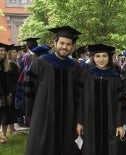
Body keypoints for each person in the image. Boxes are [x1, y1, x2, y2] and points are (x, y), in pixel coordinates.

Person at [24, 25, 83, 155]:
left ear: (72, 46)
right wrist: (29, 114)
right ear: (55, 42)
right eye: (62, 43)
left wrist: (79, 118)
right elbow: (29, 88)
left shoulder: (75, 67)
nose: (64, 47)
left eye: (68, 44)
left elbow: (80, 96)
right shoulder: (41, 62)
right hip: (43, 115)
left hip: (68, 117)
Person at [76, 43, 126, 155]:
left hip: (111, 122)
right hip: (90, 121)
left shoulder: (115, 77)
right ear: (93, 57)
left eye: (104, 56)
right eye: (98, 56)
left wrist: (119, 124)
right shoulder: (86, 75)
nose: (101, 59)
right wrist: (79, 122)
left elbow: (120, 102)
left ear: (109, 58)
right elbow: (80, 100)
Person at [0, 42, 10, 143]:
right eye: (1, 50)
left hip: (5, 94)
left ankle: (4, 135)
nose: (3, 52)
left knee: (5, 115)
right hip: (0, 94)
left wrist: (9, 93)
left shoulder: (5, 65)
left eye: (4, 50)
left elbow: (7, 81)